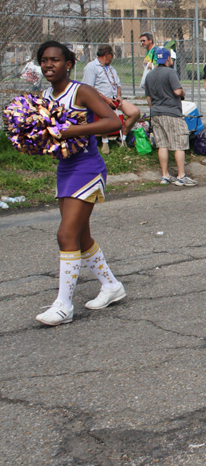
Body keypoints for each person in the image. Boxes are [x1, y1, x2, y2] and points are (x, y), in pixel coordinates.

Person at [33, 42, 127, 325]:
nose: (49, 65)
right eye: (44, 61)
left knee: (65, 235)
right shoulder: (46, 95)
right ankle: (112, 286)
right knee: (79, 235)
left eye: (55, 60)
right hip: (65, 168)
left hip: (87, 168)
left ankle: (63, 305)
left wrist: (74, 130)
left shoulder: (81, 91)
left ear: (69, 64)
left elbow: (113, 122)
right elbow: (52, 134)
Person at [144, 48, 197, 186]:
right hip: (172, 112)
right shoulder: (170, 72)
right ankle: (181, 175)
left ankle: (165, 175)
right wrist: (183, 92)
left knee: (162, 145)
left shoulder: (149, 75)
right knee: (179, 144)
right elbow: (177, 91)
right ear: (168, 59)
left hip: (156, 113)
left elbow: (148, 98)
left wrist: (154, 108)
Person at [81, 45, 141, 145]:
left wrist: (118, 97)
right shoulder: (91, 67)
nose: (112, 58)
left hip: (114, 99)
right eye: (112, 55)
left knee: (135, 112)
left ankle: (123, 138)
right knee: (105, 112)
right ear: (106, 55)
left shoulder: (111, 68)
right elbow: (89, 88)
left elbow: (118, 85)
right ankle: (105, 141)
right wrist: (106, 99)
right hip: (99, 100)